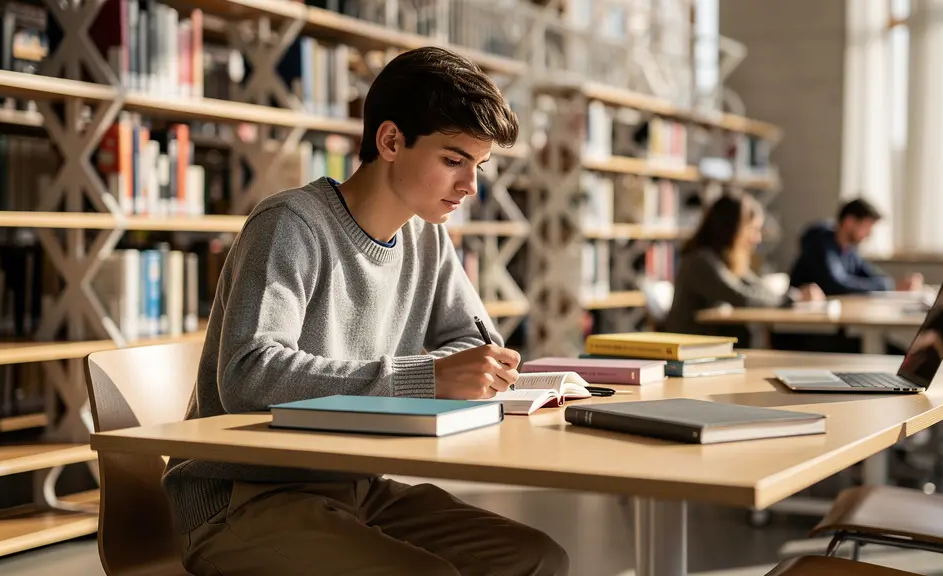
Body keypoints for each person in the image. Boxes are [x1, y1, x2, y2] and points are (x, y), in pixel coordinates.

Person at [161, 47, 568, 575]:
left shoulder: (427, 237)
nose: (470, 186)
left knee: (538, 559)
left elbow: (474, 344)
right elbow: (248, 374)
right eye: (453, 161)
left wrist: (470, 370)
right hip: (242, 496)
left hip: (355, 485)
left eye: (478, 166)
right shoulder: (290, 224)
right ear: (391, 141)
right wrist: (423, 377)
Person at [663, 192, 825, 345]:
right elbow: (742, 297)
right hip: (690, 346)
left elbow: (756, 286)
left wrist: (794, 296)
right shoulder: (700, 261)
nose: (758, 238)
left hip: (711, 340)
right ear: (732, 229)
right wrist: (792, 300)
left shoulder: (725, 258)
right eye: (753, 230)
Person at [789, 198, 923, 295]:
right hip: (806, 326)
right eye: (866, 227)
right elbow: (836, 285)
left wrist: (891, 285)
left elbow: (871, 275)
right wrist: (885, 286)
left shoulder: (849, 249)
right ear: (850, 222)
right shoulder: (821, 243)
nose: (869, 235)